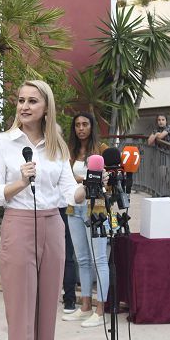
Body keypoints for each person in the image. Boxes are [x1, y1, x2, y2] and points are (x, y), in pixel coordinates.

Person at [0, 80, 86, 340]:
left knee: (46, 318)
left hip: (52, 228)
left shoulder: (57, 146)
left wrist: (87, 187)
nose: (24, 106)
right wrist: (18, 182)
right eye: (20, 100)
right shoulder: (3, 143)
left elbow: (65, 194)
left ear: (46, 107)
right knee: (22, 320)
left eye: (32, 101)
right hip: (18, 226)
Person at [62, 113, 109, 328]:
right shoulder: (69, 152)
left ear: (92, 126)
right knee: (81, 258)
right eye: (77, 125)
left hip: (96, 207)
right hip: (74, 207)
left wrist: (88, 180)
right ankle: (85, 307)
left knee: (99, 258)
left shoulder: (102, 150)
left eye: (85, 124)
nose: (81, 128)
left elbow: (108, 181)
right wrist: (83, 179)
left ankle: (100, 310)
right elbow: (65, 180)